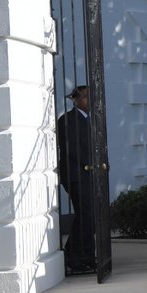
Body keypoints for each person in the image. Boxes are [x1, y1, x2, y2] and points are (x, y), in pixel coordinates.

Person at [56, 85, 96, 274]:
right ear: (77, 100)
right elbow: (72, 149)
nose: (91, 101)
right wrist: (90, 163)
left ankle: (87, 255)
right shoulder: (67, 120)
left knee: (90, 216)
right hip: (75, 175)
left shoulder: (91, 119)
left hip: (89, 173)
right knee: (85, 214)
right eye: (88, 97)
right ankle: (73, 255)